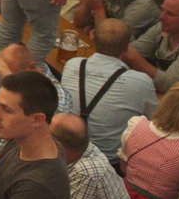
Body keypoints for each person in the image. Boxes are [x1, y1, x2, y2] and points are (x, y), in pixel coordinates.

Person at [68, 19, 158, 157]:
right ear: (127, 47)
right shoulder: (142, 82)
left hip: (67, 152)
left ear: (92, 37)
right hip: (108, 160)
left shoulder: (72, 65)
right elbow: (158, 120)